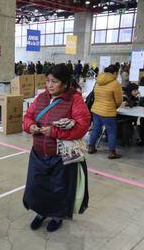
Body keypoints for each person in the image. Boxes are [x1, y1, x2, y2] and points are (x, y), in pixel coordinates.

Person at [22, 64, 91, 232]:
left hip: (60, 156)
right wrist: (30, 126)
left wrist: (54, 131)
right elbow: (28, 116)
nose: (49, 85)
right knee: (37, 186)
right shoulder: (41, 98)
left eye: (54, 81)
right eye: (47, 81)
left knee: (58, 189)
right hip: (38, 153)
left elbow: (82, 126)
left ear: (65, 83)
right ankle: (41, 213)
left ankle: (57, 216)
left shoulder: (74, 99)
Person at [88, 64, 123, 159]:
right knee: (111, 132)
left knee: (95, 129)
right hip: (108, 112)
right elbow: (119, 100)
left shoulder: (98, 81)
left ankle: (91, 147)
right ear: (115, 73)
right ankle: (112, 152)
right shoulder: (115, 84)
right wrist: (114, 106)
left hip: (96, 110)